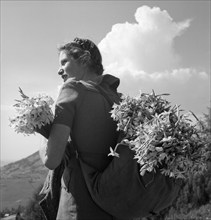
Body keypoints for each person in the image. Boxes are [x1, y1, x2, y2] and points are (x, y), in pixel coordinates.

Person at [39, 37, 123, 220]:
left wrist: (42, 132)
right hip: (114, 202)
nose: (59, 70)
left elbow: (52, 161)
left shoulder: (72, 89)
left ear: (84, 59)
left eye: (64, 62)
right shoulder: (117, 98)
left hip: (79, 203)